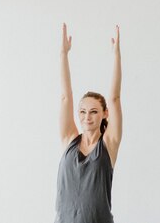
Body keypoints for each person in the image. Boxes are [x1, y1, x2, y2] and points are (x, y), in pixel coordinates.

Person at [55, 23, 122, 223]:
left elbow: (115, 98)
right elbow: (66, 97)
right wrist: (63, 54)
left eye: (93, 112)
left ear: (104, 114)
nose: (87, 117)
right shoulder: (69, 140)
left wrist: (116, 56)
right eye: (82, 112)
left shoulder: (109, 144)